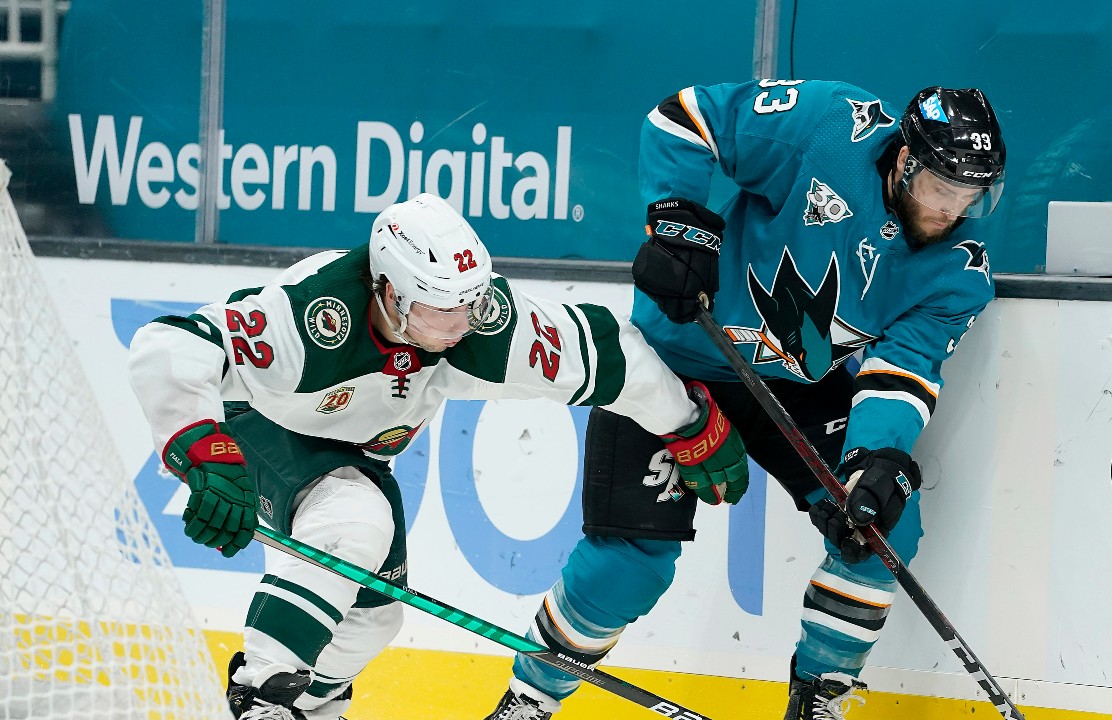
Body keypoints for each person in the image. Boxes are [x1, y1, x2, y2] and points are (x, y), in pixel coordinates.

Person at [486, 80, 1006, 720]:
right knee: (628, 566)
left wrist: (873, 457)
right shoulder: (828, 127)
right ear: (904, 159)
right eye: (940, 190)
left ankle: (819, 695)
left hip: (797, 384)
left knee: (880, 525)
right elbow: (684, 117)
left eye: (971, 196)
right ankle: (529, 700)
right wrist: (677, 223)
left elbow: (901, 372)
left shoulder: (960, 274)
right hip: (672, 363)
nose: (951, 211)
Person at [127, 192, 750, 720]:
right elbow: (168, 345)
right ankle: (263, 690)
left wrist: (688, 422)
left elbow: (609, 357)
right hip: (261, 423)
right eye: (435, 311)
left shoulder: (482, 326)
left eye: (468, 307)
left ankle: (309, 705)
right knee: (354, 522)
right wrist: (204, 452)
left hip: (355, 454)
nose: (456, 328)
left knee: (372, 620)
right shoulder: (310, 318)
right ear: (387, 292)